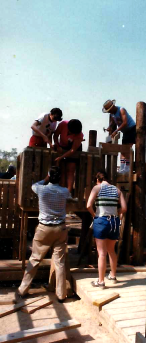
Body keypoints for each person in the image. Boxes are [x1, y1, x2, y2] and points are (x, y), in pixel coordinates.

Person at [17, 166, 71, 302]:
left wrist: (45, 178)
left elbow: (34, 185)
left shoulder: (41, 189)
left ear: (49, 176)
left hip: (44, 228)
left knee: (35, 258)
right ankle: (61, 294)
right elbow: (69, 196)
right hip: (60, 228)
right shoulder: (64, 191)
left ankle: (23, 289)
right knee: (59, 262)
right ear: (60, 178)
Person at [87, 170, 126, 288]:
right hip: (114, 221)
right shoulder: (117, 190)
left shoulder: (97, 188)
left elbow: (88, 205)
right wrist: (116, 213)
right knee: (111, 250)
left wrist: (95, 215)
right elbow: (124, 208)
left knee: (102, 253)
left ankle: (101, 281)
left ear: (98, 180)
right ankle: (113, 276)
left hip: (101, 220)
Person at [102, 99, 136, 173]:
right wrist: (110, 127)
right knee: (123, 150)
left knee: (127, 149)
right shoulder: (112, 114)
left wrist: (116, 131)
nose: (109, 112)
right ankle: (122, 167)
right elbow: (113, 121)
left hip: (131, 129)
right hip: (125, 131)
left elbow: (125, 123)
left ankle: (127, 168)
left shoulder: (121, 110)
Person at [53, 119, 84, 193]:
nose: (71, 134)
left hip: (74, 150)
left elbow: (73, 150)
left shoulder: (79, 135)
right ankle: (61, 190)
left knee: (70, 170)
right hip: (62, 146)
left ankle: (68, 192)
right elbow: (56, 135)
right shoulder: (63, 124)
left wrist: (60, 157)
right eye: (70, 132)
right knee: (62, 170)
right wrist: (57, 146)